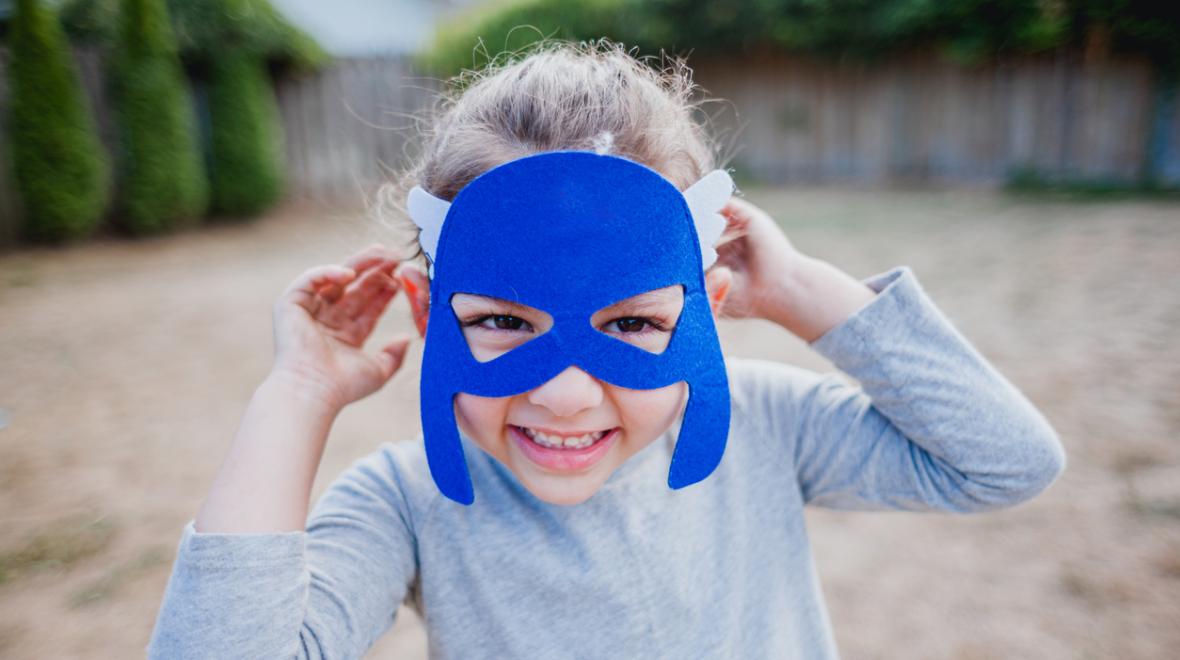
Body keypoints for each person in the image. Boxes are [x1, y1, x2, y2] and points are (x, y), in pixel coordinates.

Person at [147, 41, 1065, 659]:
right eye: (504, 323)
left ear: (701, 312)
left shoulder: (764, 425)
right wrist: (297, 392)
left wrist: (802, 295)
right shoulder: (406, 504)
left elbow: (1004, 464)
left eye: (631, 325)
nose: (568, 395)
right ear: (430, 316)